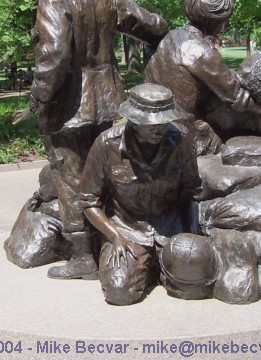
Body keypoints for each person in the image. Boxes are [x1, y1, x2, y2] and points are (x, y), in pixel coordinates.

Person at [10, 0, 168, 279]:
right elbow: (156, 24)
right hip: (106, 101)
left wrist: (38, 101)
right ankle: (107, 240)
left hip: (67, 107)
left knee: (70, 178)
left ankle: (82, 256)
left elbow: (54, 57)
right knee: (101, 175)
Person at [79, 84, 201, 305]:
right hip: (127, 231)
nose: (158, 129)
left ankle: (154, 268)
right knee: (119, 292)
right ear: (133, 120)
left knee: (193, 283)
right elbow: (89, 201)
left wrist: (192, 235)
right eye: (150, 124)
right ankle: (143, 267)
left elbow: (190, 192)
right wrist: (114, 235)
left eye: (163, 122)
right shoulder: (107, 144)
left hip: (170, 229)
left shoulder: (181, 139)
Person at [144, 0, 261, 152]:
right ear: (211, 21)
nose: (226, 27)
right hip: (185, 135)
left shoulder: (172, 37)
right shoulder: (202, 52)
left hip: (157, 126)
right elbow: (239, 100)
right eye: (225, 21)